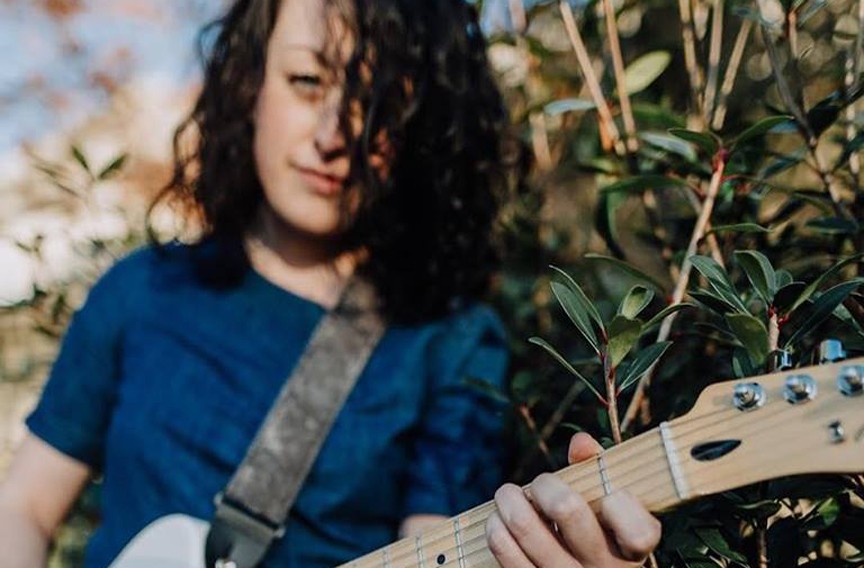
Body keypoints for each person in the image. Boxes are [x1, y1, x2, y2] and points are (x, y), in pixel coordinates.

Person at [0, 0, 661, 566]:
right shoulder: (142, 289)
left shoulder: (448, 342)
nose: (333, 134)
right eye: (308, 81)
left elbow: (437, 547)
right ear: (249, 83)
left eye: (381, 101)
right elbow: (24, 506)